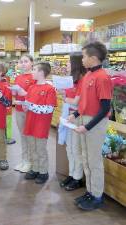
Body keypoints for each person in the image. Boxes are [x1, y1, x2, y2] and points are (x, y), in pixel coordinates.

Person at [68, 41, 113, 211]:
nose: (82, 59)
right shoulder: (88, 75)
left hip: (94, 123)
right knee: (85, 157)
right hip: (84, 119)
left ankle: (97, 195)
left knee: (94, 160)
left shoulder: (102, 77)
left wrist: (87, 127)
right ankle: (90, 191)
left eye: (84, 56)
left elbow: (105, 107)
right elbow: (86, 102)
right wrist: (75, 114)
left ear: (93, 58)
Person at [22, 62, 57, 184]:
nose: (32, 72)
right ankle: (35, 168)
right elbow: (28, 103)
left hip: (41, 125)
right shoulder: (31, 87)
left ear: (41, 73)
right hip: (30, 122)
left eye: (34, 69)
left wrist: (30, 106)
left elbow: (49, 108)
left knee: (41, 149)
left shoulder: (50, 89)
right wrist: (25, 106)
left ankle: (43, 171)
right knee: (32, 147)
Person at [58, 54, 86, 191]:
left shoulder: (82, 80)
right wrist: (63, 95)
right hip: (67, 116)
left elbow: (77, 101)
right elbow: (69, 98)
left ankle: (78, 177)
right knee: (69, 148)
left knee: (76, 149)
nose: (67, 64)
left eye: (69, 62)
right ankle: (72, 173)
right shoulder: (72, 80)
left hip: (76, 117)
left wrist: (66, 100)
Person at [12, 54, 35, 173]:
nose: (23, 64)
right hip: (19, 109)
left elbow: (35, 95)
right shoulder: (18, 77)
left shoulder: (34, 77)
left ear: (32, 63)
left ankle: (30, 162)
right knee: (22, 136)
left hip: (29, 111)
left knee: (29, 136)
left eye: (26, 61)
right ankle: (24, 160)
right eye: (21, 62)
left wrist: (24, 94)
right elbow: (16, 94)